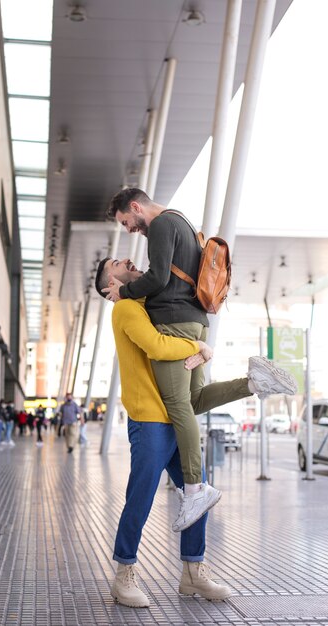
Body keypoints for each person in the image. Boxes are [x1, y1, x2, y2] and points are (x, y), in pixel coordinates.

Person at [95, 257, 298, 607]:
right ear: (109, 284)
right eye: (117, 263)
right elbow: (158, 347)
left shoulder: (151, 303)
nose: (127, 260)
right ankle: (124, 573)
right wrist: (199, 347)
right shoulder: (125, 309)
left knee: (197, 494)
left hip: (176, 414)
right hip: (150, 419)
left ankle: (193, 573)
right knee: (140, 498)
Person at [102, 188, 297, 532]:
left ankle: (194, 488)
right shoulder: (183, 223)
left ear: (135, 207)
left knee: (179, 406)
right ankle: (254, 382)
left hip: (176, 324)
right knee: (193, 400)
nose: (129, 229)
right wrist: (199, 345)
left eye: (126, 222)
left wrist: (123, 292)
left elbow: (158, 278)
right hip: (195, 323)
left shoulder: (161, 225)